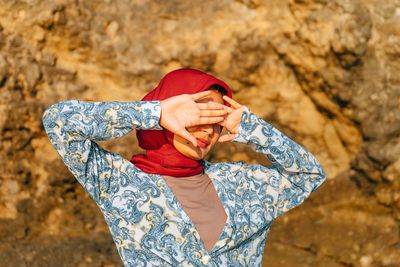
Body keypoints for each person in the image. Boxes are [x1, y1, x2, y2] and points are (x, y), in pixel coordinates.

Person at [42, 68, 327, 267]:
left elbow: (308, 175)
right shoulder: (118, 182)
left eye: (216, 119)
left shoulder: (242, 184)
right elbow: (59, 122)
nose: (208, 129)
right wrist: (155, 112)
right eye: (197, 114)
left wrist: (252, 129)